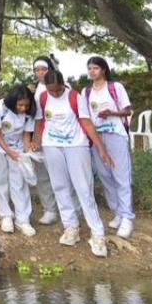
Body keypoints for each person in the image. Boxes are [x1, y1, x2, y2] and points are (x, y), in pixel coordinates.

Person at [36, 69, 112, 257]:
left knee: (84, 188)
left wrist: (101, 149)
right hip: (52, 145)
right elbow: (40, 122)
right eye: (51, 90)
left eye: (58, 90)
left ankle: (97, 233)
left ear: (63, 84)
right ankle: (71, 227)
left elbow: (87, 123)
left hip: (76, 145)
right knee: (60, 186)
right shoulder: (43, 97)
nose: (55, 93)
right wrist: (36, 142)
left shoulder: (75, 97)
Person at [82, 56, 136, 240]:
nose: (92, 71)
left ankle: (128, 217)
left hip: (116, 135)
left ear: (103, 70)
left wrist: (111, 112)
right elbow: (86, 117)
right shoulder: (86, 92)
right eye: (89, 68)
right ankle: (117, 211)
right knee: (105, 175)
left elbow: (128, 111)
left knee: (121, 174)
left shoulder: (115, 87)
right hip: (97, 138)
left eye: (95, 68)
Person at [0, 85, 37, 236]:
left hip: (18, 148)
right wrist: (8, 152)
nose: (23, 108)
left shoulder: (29, 113)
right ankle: (6, 215)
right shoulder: (0, 107)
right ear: (12, 101)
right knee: (0, 180)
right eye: (20, 105)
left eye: (26, 105)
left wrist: (29, 155)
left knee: (19, 182)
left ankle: (23, 218)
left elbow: (26, 135)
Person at [26, 57, 60, 225]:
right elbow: (34, 117)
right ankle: (50, 209)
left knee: (60, 174)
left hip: (58, 137)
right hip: (38, 136)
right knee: (42, 175)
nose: (40, 73)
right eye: (37, 70)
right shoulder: (33, 89)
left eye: (43, 69)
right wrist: (34, 140)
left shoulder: (59, 86)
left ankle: (69, 208)